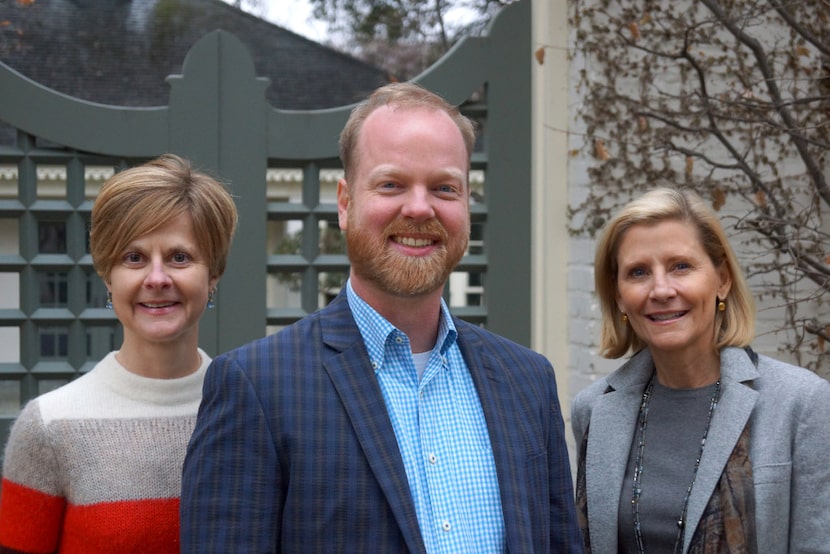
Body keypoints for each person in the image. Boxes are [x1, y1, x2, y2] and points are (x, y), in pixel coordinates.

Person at [180, 82, 583, 552]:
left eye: (444, 188)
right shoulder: (257, 387)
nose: (418, 207)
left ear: (467, 204)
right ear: (346, 202)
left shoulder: (528, 381)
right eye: (391, 184)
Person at [0, 154, 237, 553]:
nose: (157, 278)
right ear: (107, 276)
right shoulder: (50, 426)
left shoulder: (248, 413)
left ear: (213, 274)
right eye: (134, 258)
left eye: (180, 257)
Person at [572, 187, 830, 553]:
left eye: (681, 266)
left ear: (721, 279)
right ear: (619, 296)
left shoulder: (800, 403)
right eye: (638, 272)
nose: (661, 289)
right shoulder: (595, 409)